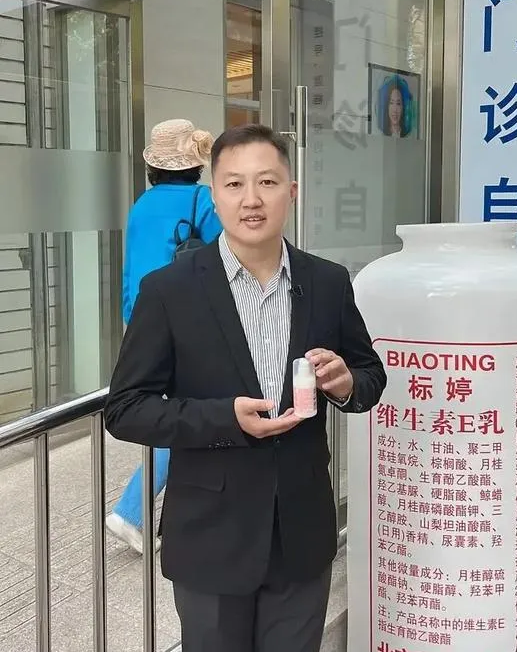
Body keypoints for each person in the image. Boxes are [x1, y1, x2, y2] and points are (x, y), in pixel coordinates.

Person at [104, 123, 386, 652]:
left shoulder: (326, 282)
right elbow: (125, 408)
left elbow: (370, 375)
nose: (251, 200)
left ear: (292, 191)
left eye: (267, 182)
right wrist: (224, 419)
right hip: (210, 538)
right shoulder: (169, 292)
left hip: (301, 533)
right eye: (234, 184)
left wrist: (348, 383)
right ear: (214, 195)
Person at [106, 118, 222, 554]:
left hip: (142, 318)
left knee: (169, 408)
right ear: (196, 164)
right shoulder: (202, 200)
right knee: (187, 412)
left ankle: (143, 510)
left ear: (154, 166)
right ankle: (131, 511)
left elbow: (130, 271)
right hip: (187, 322)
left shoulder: (140, 205)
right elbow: (228, 259)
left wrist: (131, 318)